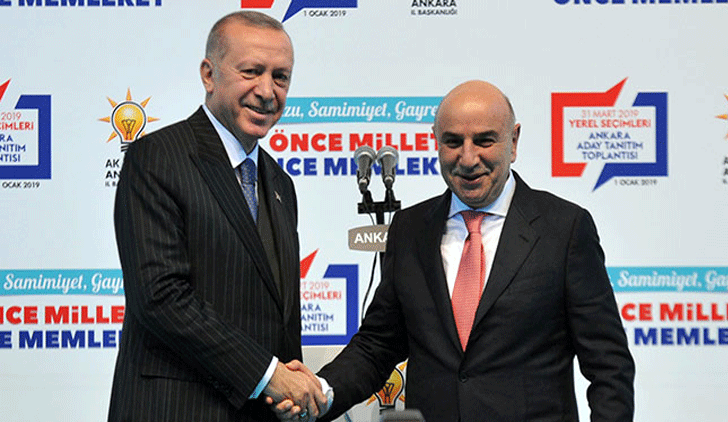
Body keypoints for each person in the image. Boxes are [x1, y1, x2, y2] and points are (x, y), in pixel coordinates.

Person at [273, 80, 635, 421]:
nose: (467, 158)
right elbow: (378, 345)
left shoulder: (564, 229)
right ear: (436, 142)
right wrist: (321, 392)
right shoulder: (409, 230)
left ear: (513, 141)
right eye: (452, 142)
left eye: (484, 140)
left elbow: (609, 366)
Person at [108, 11, 326, 422]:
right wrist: (269, 375)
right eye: (251, 72)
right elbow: (160, 297)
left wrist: (289, 394)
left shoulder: (280, 183)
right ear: (209, 75)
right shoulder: (157, 157)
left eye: (281, 77)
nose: (267, 91)